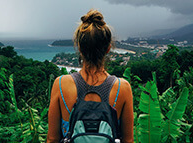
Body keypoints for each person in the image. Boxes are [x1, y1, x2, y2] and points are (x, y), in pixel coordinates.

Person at [47, 9, 134, 143]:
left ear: (80, 48)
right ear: (108, 49)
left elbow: (52, 139)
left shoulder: (61, 84)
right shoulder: (123, 88)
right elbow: (128, 140)